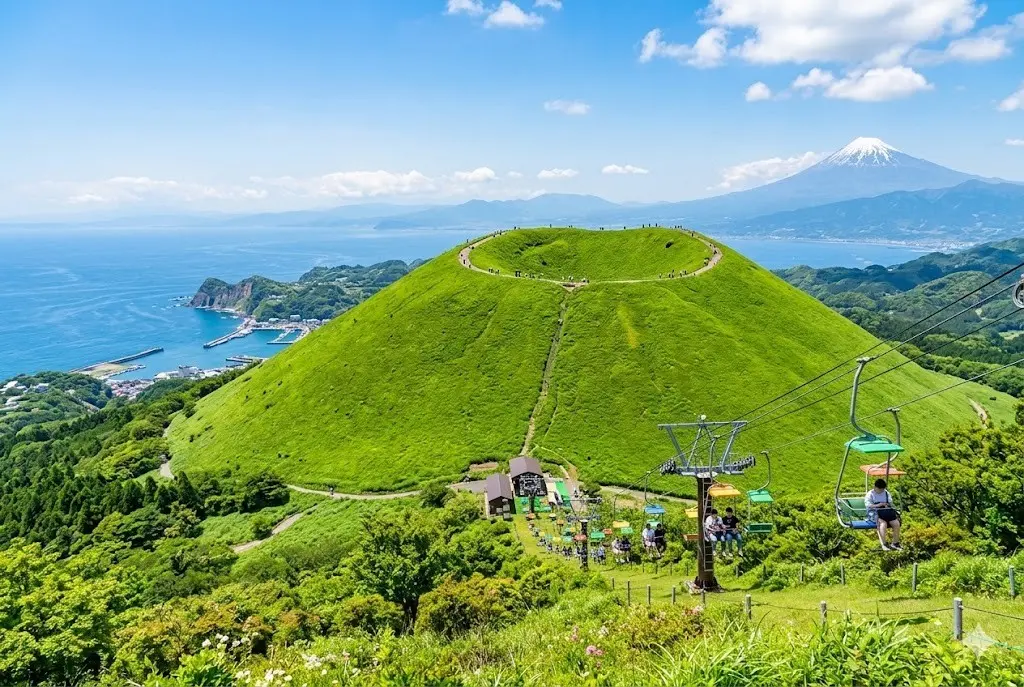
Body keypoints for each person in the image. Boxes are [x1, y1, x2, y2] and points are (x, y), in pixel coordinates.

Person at [865, 478, 902, 550]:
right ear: (875, 487)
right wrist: (878, 505)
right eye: (880, 490)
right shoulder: (870, 494)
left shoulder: (886, 493)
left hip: (885, 511)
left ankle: (895, 543)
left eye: (882, 489)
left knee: (896, 523)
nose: (881, 491)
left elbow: (890, 503)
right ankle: (884, 544)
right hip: (874, 512)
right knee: (883, 524)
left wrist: (887, 505)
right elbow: (868, 505)